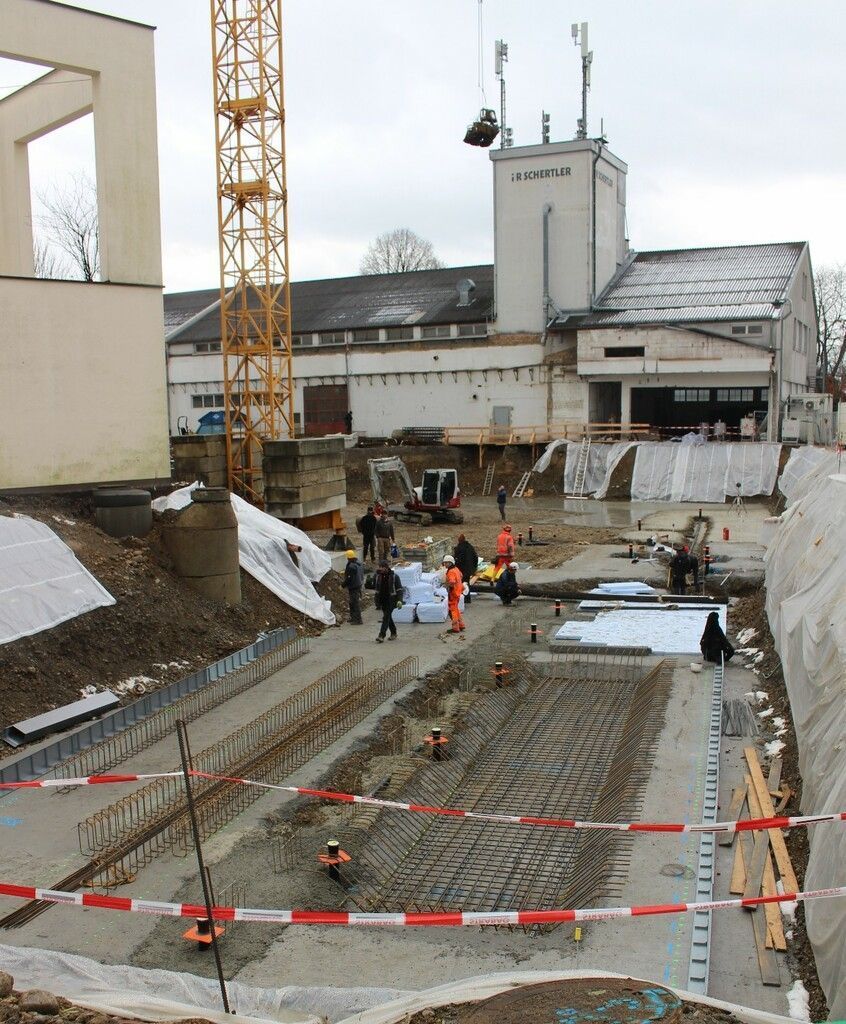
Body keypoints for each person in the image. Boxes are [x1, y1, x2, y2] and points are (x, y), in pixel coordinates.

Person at [374, 559, 401, 642]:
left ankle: (381, 635)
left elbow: (399, 589)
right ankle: (394, 632)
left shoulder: (394, 576)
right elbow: (374, 586)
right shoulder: (378, 576)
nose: (381, 569)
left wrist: (400, 600)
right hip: (382, 600)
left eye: (382, 567)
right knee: (388, 617)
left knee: (385, 617)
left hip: (391, 600)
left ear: (386, 568)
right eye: (380, 567)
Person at [442, 555, 466, 633]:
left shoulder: (451, 571)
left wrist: (447, 585)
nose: (444, 564)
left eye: (446, 563)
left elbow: (452, 582)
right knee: (456, 609)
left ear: (450, 563)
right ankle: (461, 625)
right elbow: (461, 576)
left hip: (453, 593)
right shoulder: (456, 569)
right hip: (458, 591)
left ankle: (455, 628)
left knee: (453, 610)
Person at [453, 533, 478, 605]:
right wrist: (474, 568)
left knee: (460, 584)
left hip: (461, 570)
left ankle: (461, 598)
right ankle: (467, 598)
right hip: (469, 570)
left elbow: (458, 560)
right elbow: (475, 557)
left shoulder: (459, 548)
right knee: (466, 583)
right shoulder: (470, 547)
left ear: (459, 540)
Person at [342, 549, 364, 625]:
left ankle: (358, 620)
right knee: (352, 603)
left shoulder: (351, 566)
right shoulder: (358, 563)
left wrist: (343, 585)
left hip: (354, 586)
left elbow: (349, 578)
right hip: (358, 584)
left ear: (348, 557)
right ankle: (353, 617)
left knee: (355, 603)